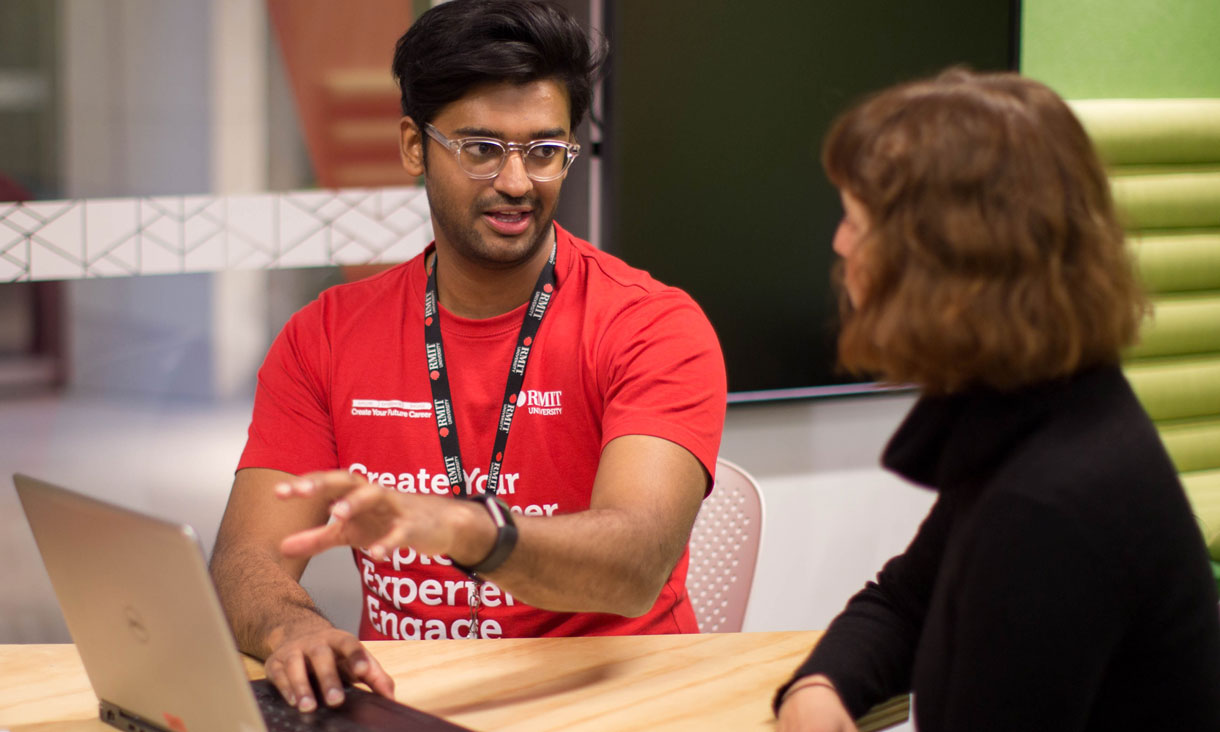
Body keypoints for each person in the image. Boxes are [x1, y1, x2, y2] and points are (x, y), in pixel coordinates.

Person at [209, 0, 726, 715]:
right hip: (408, 703)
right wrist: (292, 626)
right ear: (415, 147)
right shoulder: (325, 335)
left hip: (616, 704)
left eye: (545, 151)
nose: (517, 183)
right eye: (481, 149)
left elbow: (636, 563)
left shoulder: (652, 326)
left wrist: (455, 526)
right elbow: (245, 558)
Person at [774, 69, 1220, 731]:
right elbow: (904, 602)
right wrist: (820, 687)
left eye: (856, 221)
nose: (840, 243)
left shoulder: (1050, 502)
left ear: (944, 264)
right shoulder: (1041, 410)